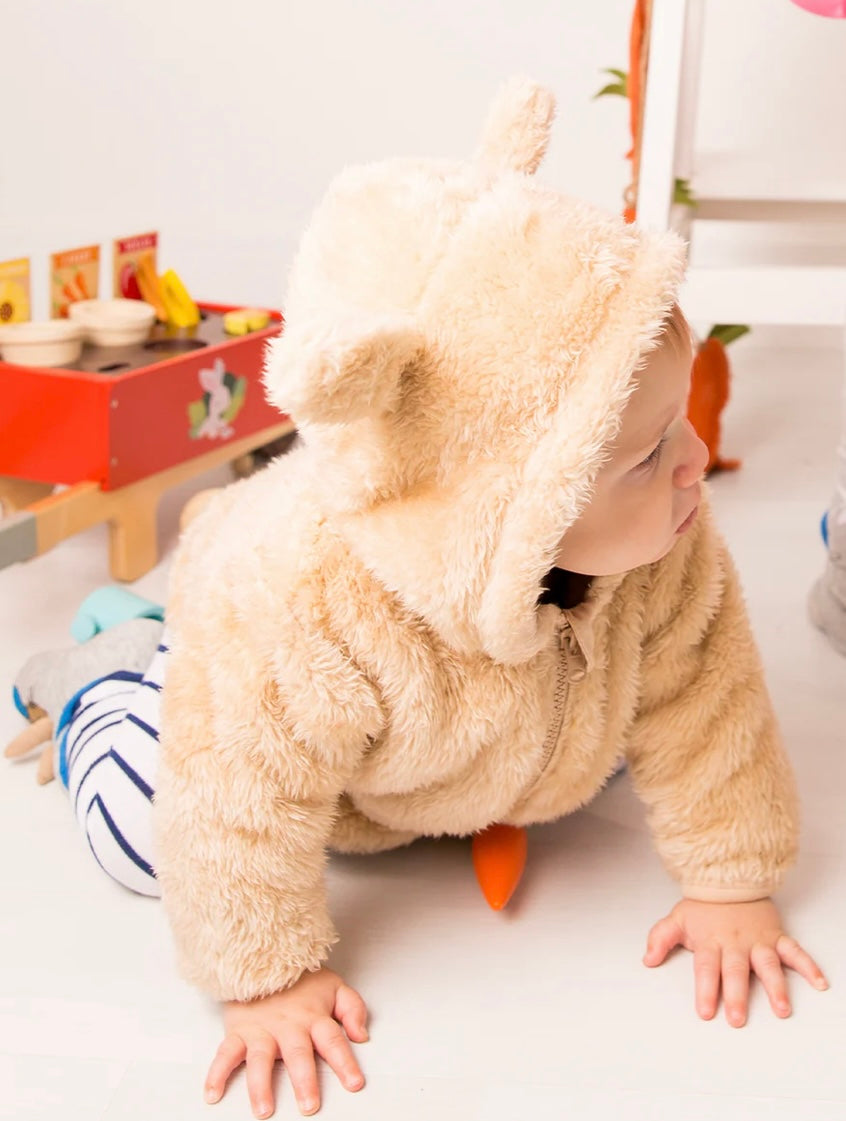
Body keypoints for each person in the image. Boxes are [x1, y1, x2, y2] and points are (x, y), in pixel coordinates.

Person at [27, 80, 827, 1119]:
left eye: (678, 429)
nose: (692, 465)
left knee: (657, 710)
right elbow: (240, 798)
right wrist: (263, 976)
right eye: (643, 458)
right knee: (154, 819)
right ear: (500, 509)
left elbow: (709, 698)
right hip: (343, 770)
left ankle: (518, 769)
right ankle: (100, 676)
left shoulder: (667, 539)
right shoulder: (296, 599)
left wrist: (731, 877)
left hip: (508, 741)